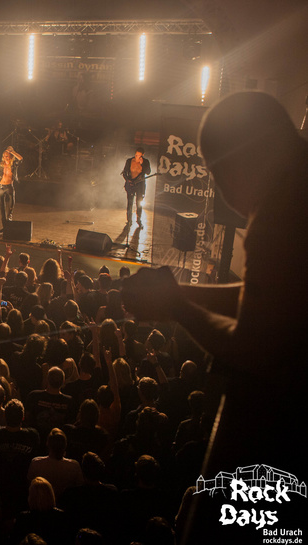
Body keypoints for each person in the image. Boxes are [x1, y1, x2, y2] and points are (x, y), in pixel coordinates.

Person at [121, 91, 308, 543]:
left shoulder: (280, 212)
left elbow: (254, 347)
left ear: (242, 157)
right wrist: (179, 290)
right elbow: (264, 296)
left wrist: (174, 306)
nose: (219, 185)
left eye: (216, 169)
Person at [121, 147, 151, 226]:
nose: (137, 157)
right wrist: (128, 180)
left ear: (142, 155)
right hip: (131, 184)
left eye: (139, 156)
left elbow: (148, 172)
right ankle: (129, 220)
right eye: (136, 155)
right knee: (130, 203)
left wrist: (142, 164)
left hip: (140, 185)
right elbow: (124, 172)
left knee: (139, 203)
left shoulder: (146, 162)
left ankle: (138, 219)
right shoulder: (129, 161)